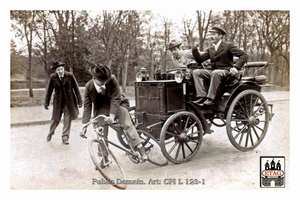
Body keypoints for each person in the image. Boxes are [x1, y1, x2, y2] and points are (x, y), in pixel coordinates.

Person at [80, 63, 148, 161]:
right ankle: (104, 157)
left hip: (118, 104)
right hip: (101, 109)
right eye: (101, 82)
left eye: (105, 81)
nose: (104, 84)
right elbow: (87, 106)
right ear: (93, 78)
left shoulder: (112, 79)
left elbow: (115, 99)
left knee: (126, 121)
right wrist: (84, 125)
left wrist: (112, 116)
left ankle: (141, 148)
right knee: (100, 130)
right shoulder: (88, 87)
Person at [191, 26, 248, 105]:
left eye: (214, 34)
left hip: (226, 72)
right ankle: (201, 96)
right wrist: (194, 49)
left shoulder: (228, 46)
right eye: (211, 34)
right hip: (215, 72)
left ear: (220, 36)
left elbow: (244, 55)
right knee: (196, 72)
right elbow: (200, 60)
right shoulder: (211, 49)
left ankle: (211, 98)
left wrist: (236, 67)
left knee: (216, 73)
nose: (211, 36)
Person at [45, 61, 82, 144]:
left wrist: (80, 101)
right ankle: (51, 132)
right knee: (55, 119)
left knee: (67, 120)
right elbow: (49, 91)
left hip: (69, 102)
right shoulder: (52, 77)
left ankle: (65, 137)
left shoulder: (70, 76)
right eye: (58, 70)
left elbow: (76, 89)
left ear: (64, 69)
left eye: (61, 69)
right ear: (56, 71)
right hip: (58, 102)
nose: (60, 71)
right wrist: (46, 103)